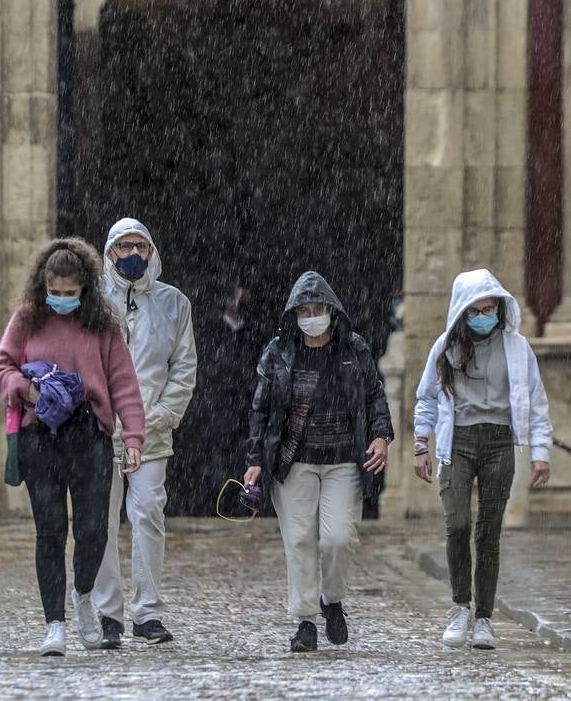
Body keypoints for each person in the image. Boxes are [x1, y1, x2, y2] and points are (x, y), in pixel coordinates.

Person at [0, 237, 146, 658]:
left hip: (89, 434)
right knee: (50, 532)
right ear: (43, 286)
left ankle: (83, 594)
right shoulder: (26, 318)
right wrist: (28, 390)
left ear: (85, 288)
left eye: (70, 293)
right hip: (39, 435)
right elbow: (1, 369)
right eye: (54, 292)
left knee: (94, 529)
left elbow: (123, 384)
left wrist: (133, 437)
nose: (61, 300)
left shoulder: (103, 324)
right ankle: (54, 625)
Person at [243, 270, 393, 652]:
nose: (311, 315)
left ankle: (332, 599)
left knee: (338, 538)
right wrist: (256, 459)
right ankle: (305, 621)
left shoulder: (353, 349)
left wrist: (380, 436)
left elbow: (375, 395)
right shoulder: (278, 352)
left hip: (344, 458)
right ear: (293, 314)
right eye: (303, 309)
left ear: (331, 309)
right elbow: (260, 410)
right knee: (299, 540)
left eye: (317, 308)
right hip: (293, 460)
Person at [412, 269, 552, 651]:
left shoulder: (518, 348)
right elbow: (426, 398)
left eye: (490, 309)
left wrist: (540, 452)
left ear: (500, 309)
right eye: (475, 310)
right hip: (456, 441)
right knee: (457, 523)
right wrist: (421, 445)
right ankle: (460, 606)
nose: (483, 316)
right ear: (462, 312)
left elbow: (535, 402)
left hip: (498, 442)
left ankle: (485, 618)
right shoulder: (445, 347)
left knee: (488, 532)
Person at [92, 218, 197, 648]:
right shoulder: (92, 301)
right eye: (124, 246)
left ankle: (148, 611)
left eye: (141, 246)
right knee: (99, 520)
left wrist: (160, 416)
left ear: (152, 251)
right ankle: (107, 613)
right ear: (110, 252)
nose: (132, 254)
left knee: (149, 512)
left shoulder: (174, 303)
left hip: (152, 432)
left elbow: (183, 367)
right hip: (101, 431)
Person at [167, 282, 263, 516]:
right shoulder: (207, 330)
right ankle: (213, 507)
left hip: (246, 409)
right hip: (214, 408)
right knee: (213, 463)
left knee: (245, 459)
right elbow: (204, 369)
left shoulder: (254, 332)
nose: (242, 298)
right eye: (237, 294)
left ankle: (241, 506)